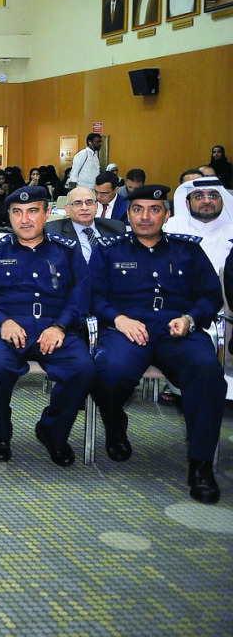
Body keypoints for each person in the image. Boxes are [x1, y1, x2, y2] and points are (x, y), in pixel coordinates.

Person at [90, 185, 222, 504]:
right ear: (128, 213)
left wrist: (190, 319)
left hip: (177, 331)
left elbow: (210, 296)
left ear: (167, 215)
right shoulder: (108, 250)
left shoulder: (188, 250)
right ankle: (115, 424)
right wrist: (118, 319)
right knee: (107, 371)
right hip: (127, 329)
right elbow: (93, 295)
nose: (145, 217)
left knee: (207, 372)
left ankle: (201, 465)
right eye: (138, 209)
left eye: (154, 210)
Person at [0, 186, 94, 465]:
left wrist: (61, 326)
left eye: (32, 211)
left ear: (47, 213)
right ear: (9, 216)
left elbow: (81, 296)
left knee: (83, 369)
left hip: (55, 328)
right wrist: (3, 322)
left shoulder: (67, 251)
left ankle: (53, 432)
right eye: (17, 212)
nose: (24, 219)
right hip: (7, 331)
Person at [162, 176, 233, 272]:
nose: (207, 201)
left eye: (213, 196)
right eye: (199, 196)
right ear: (188, 204)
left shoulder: (231, 229)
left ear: (222, 202)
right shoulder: (169, 228)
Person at [45, 187, 126, 262]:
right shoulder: (52, 231)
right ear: (67, 209)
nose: (84, 208)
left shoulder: (116, 228)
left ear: (96, 207)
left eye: (89, 202)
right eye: (78, 203)